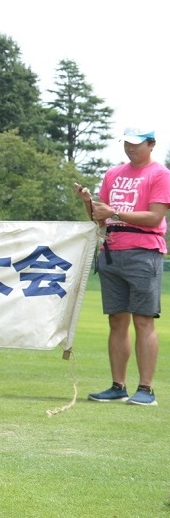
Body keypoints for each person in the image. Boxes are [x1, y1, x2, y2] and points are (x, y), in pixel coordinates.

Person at [76, 127, 170, 407]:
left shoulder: (160, 174)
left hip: (144, 252)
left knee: (143, 320)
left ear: (151, 145)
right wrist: (88, 203)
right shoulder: (113, 173)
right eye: (127, 143)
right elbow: (99, 218)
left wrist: (114, 212)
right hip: (111, 252)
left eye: (137, 144)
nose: (130, 149)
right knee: (116, 320)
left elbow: (155, 217)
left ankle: (146, 389)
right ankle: (118, 386)